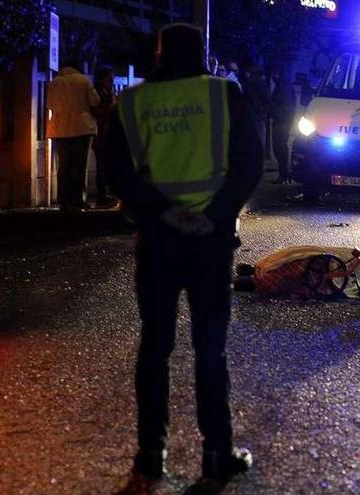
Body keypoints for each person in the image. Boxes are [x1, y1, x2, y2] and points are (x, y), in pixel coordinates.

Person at [104, 23, 263, 490]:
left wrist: (163, 212)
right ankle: (217, 454)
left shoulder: (132, 102)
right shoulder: (223, 94)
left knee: (155, 345)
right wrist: (214, 213)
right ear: (202, 52)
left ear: (158, 53)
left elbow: (118, 171)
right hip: (209, 240)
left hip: (157, 238)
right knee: (210, 348)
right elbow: (249, 162)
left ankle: (151, 453)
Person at [47, 61, 100, 210]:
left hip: (60, 130)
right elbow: (95, 101)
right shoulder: (83, 80)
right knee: (79, 166)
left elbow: (50, 105)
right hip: (82, 128)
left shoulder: (54, 83)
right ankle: (78, 199)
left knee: (63, 167)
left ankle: (64, 200)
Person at [91, 65, 118, 207]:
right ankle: (102, 196)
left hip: (107, 133)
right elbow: (96, 111)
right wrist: (112, 107)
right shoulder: (97, 92)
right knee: (101, 165)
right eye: (109, 79)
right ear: (102, 79)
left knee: (107, 165)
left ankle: (106, 194)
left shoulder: (108, 91)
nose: (112, 81)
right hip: (100, 133)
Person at [270, 70, 297, 183]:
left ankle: (284, 173)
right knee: (281, 147)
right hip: (284, 120)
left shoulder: (282, 87)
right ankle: (285, 173)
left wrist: (274, 113)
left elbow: (284, 106)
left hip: (281, 121)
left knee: (279, 147)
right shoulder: (285, 86)